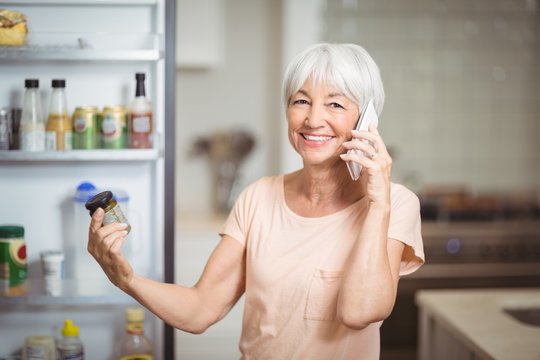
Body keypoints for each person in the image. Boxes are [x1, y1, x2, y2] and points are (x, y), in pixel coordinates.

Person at [88, 42, 425, 359]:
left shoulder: (395, 204)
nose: (312, 119)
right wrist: (127, 280)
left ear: (367, 121)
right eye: (301, 100)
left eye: (335, 104)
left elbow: (358, 312)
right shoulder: (258, 197)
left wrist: (378, 202)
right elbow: (202, 307)